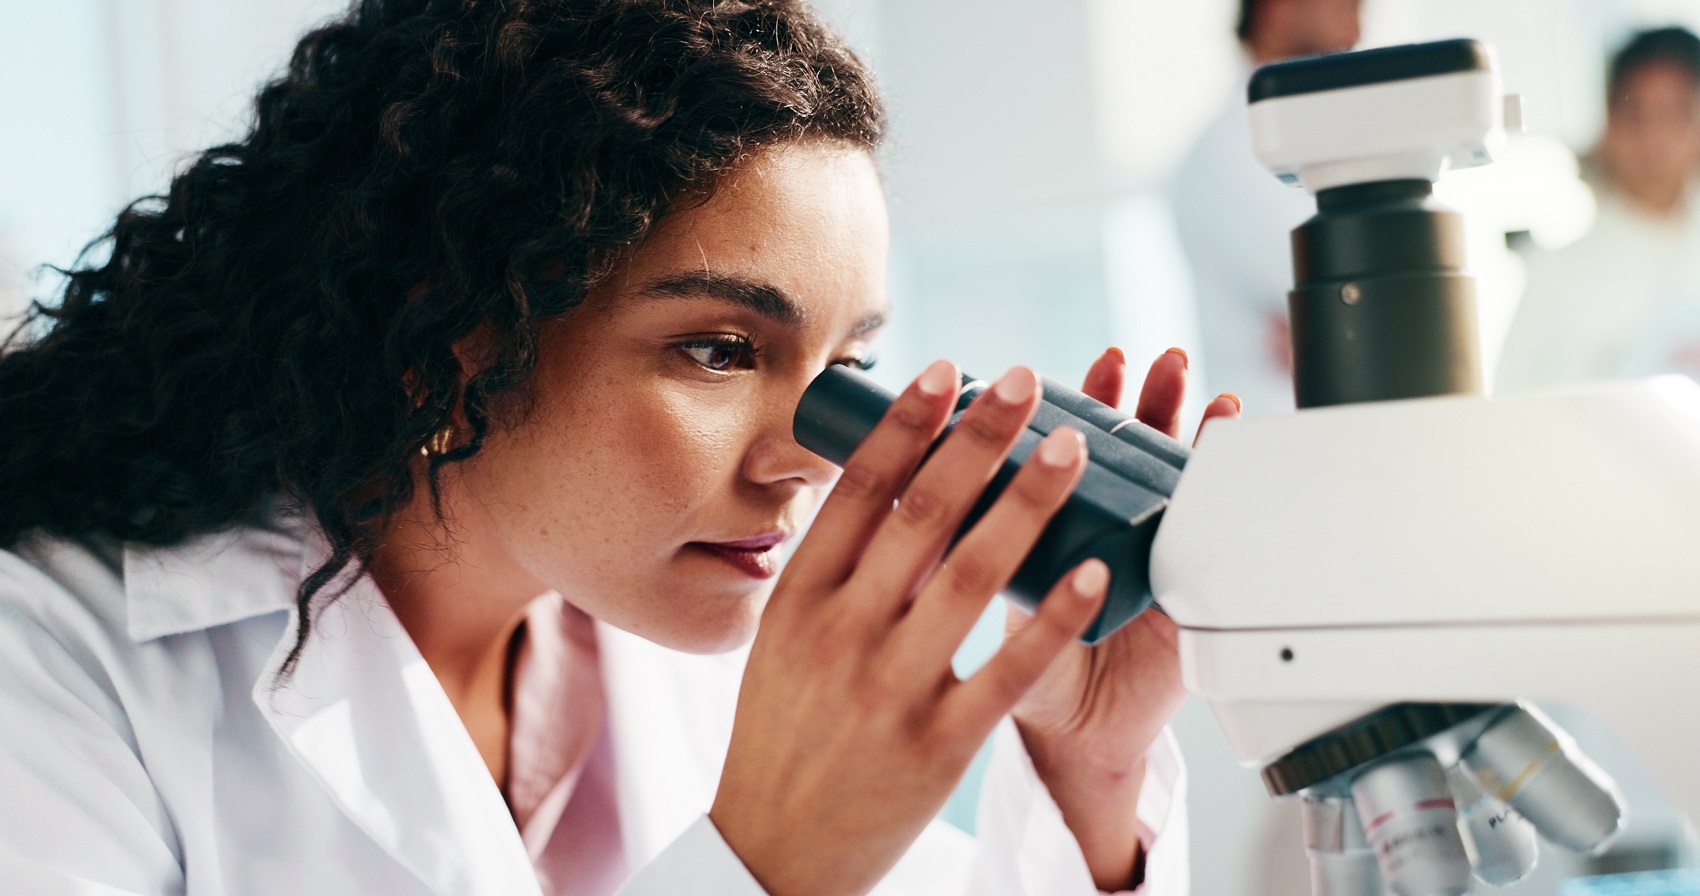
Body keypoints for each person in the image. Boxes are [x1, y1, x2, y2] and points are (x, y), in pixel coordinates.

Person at [0, 2, 1241, 894]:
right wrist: (764, 865)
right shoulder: (52, 664)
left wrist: (1088, 771)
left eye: (845, 364)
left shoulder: (675, 636)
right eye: (719, 347)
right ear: (446, 340)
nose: (812, 456)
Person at [1169, 0, 1362, 417]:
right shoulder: (1226, 154)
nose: (1358, 18)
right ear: (1277, 8)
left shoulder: (1319, 139)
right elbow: (1336, 284)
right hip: (1280, 430)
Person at [1498, 26, 1700, 390]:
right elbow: (1512, 404)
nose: (1654, 138)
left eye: (1673, 114)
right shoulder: (1555, 274)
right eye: (1636, 114)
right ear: (1610, 121)